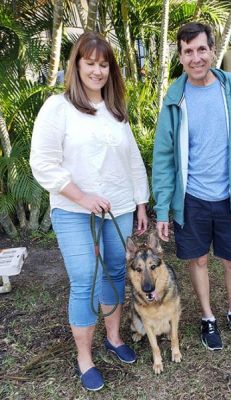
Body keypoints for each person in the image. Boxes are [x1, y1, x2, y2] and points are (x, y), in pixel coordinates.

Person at [30, 32, 149, 391]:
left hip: (120, 206)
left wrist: (141, 202)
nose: (97, 71)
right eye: (90, 63)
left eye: (103, 64)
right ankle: (85, 359)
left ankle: (113, 339)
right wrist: (82, 197)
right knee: (85, 278)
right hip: (73, 209)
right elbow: (43, 163)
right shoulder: (58, 107)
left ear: (110, 69)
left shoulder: (116, 113)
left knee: (114, 271)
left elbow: (133, 161)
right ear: (77, 65)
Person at [152, 22, 231, 351]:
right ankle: (208, 317)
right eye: (188, 51)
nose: (195, 57)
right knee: (198, 261)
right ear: (180, 56)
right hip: (192, 200)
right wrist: (163, 208)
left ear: (213, 50)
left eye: (201, 49)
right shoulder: (175, 98)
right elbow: (163, 159)